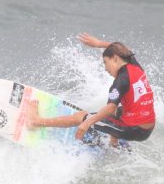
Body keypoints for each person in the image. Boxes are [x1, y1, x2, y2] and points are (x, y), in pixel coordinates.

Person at [26, 33, 155, 146]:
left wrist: (87, 122)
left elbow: (110, 108)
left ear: (115, 58)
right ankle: (114, 143)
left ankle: (36, 122)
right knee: (121, 109)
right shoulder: (134, 64)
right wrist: (99, 44)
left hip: (132, 129)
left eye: (105, 62)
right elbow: (123, 49)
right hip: (147, 127)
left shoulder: (120, 80)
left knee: (82, 116)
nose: (105, 68)